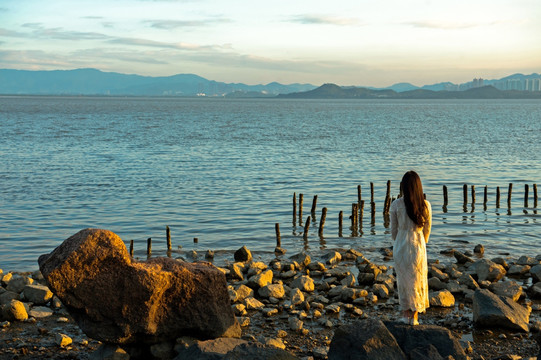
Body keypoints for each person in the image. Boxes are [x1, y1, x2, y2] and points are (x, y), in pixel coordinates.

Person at [390, 170, 432, 325]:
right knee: (418, 280)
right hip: (417, 246)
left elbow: (393, 231)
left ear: (403, 187)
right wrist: (421, 241)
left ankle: (405, 314)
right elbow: (427, 231)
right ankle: (414, 317)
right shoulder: (425, 205)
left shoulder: (396, 204)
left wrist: (400, 239)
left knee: (403, 281)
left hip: (401, 245)